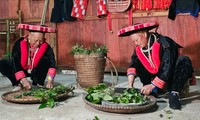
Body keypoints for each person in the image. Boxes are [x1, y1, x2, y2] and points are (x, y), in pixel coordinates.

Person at [118, 21, 196, 110]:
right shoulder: (139, 49)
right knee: (138, 61)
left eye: (137, 40)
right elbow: (133, 64)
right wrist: (130, 86)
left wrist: (152, 85)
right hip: (155, 78)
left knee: (184, 60)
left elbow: (167, 66)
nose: (136, 43)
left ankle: (174, 93)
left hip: (172, 74)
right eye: (134, 41)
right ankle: (152, 91)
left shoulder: (165, 42)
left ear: (144, 34)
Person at [0, 24, 57, 91]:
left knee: (45, 60)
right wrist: (23, 79)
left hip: (35, 71)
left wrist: (50, 81)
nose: (38, 43)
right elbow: (15, 62)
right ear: (29, 36)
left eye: (41, 40)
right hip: (22, 69)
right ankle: (17, 83)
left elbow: (52, 65)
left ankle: (38, 83)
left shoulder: (46, 47)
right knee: (3, 63)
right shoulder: (19, 43)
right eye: (36, 40)